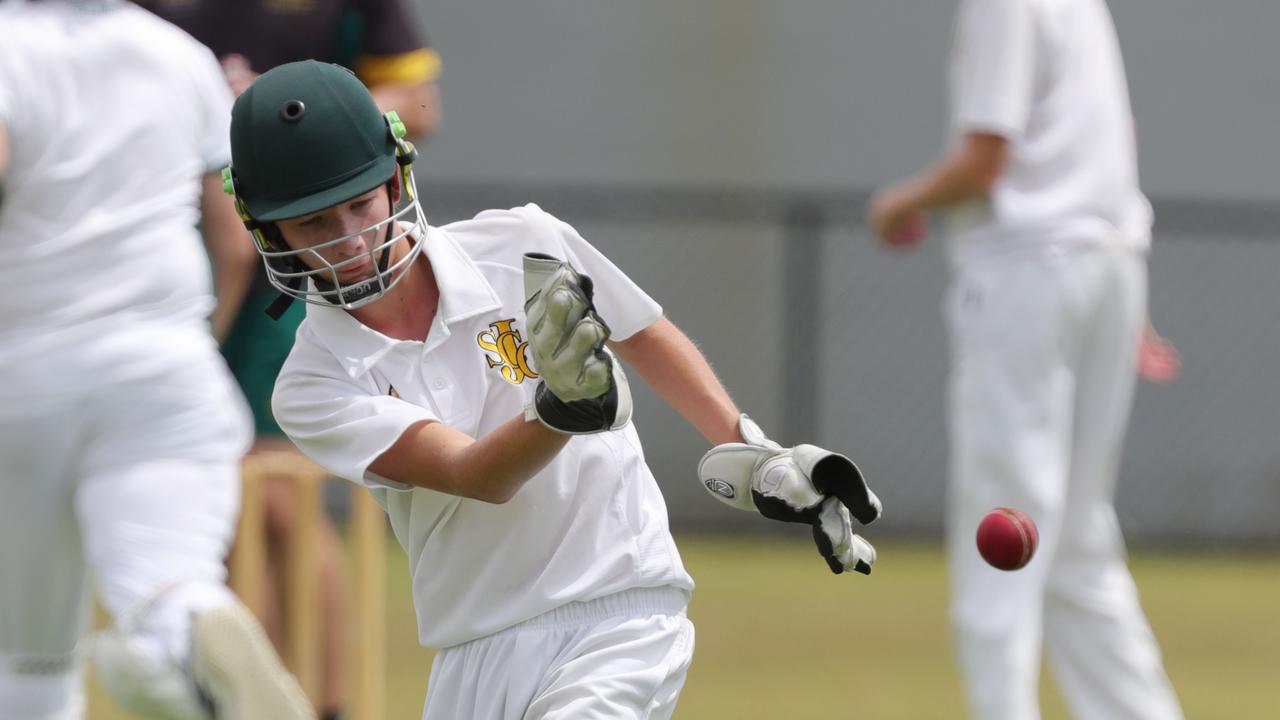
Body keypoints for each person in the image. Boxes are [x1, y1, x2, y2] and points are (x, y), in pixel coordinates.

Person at [222, 59, 883, 719]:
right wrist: (563, 407)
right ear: (268, 229)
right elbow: (476, 473)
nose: (349, 243)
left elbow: (643, 335)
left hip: (619, 612)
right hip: (473, 654)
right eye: (313, 225)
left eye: (359, 204)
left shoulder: (523, 242)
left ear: (395, 180)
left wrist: (753, 449)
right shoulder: (311, 384)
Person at [866, 0, 1184, 718]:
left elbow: (985, 159)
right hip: (1110, 262)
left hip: (1027, 272)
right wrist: (1119, 306)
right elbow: (1116, 141)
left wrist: (897, 204)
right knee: (1076, 537)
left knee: (1001, 530)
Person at [0, 1, 315, 719]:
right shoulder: (184, 56)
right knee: (168, 584)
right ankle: (184, 626)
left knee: (30, 658)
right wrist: (194, 339)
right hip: (170, 367)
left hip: (23, 372)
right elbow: (236, 243)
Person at [134, 5, 442, 716]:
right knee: (223, 499)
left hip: (285, 262)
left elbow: (418, 103)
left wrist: (280, 111)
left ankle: (326, 702)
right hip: (173, 261)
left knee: (281, 491)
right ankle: (259, 700)